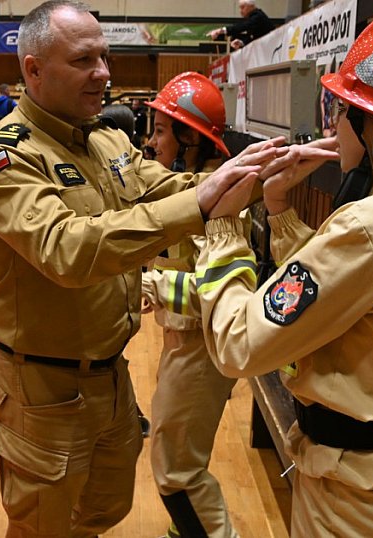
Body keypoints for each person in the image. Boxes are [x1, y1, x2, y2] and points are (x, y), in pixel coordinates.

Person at [0, 2, 297, 535]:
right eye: (84, 60)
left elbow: (169, 189)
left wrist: (256, 178)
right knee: (41, 527)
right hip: (42, 388)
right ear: (33, 70)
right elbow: (65, 249)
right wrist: (204, 203)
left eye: (105, 57)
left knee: (106, 507)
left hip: (109, 375)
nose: (104, 73)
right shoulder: (3, 158)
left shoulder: (107, 139)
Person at [198, 9, 373, 537]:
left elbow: (240, 344)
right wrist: (278, 209)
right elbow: (357, 297)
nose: (333, 124)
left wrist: (223, 231)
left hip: (360, 505)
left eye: (343, 108)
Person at [141, 72, 238, 538]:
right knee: (176, 456)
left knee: (175, 470)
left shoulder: (220, 200)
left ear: (189, 138)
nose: (151, 140)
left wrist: (148, 285)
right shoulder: (192, 188)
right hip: (183, 343)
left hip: (202, 348)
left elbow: (213, 293)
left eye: (161, 130)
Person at [209, 0, 275, 50]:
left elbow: (242, 26)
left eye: (243, 7)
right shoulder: (253, 18)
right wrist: (241, 42)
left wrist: (221, 30)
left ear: (251, 6)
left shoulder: (258, 16)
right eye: (240, 8)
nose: (241, 11)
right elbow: (253, 38)